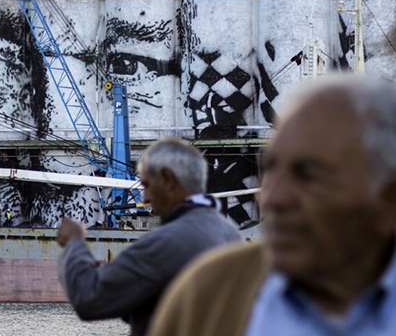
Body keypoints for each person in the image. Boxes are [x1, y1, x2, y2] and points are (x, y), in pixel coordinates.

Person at [148, 76, 396, 336]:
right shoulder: (204, 296)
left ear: (388, 199)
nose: (271, 198)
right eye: (270, 169)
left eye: (308, 174)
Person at [57, 137, 241, 336]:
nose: (144, 198)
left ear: (168, 180)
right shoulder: (230, 234)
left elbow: (90, 298)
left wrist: (74, 243)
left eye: (146, 184)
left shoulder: (166, 242)